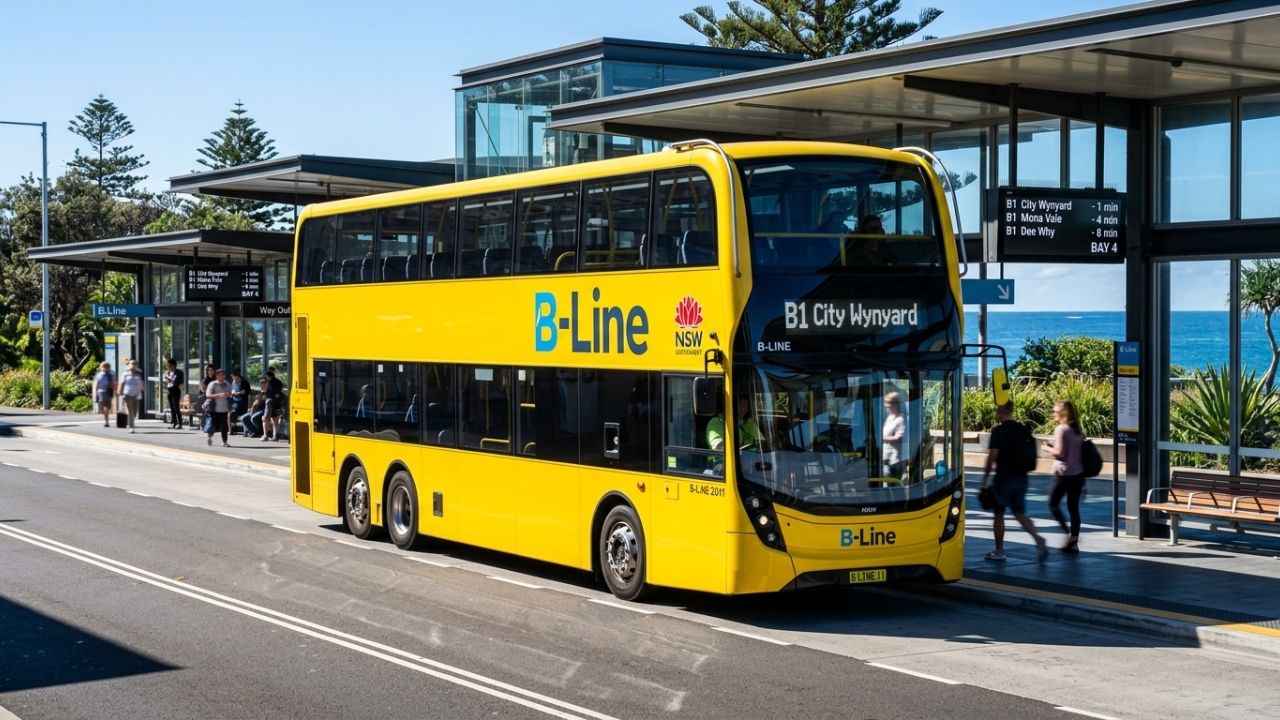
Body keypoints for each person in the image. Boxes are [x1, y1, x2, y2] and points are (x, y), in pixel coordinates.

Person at [980, 402, 1049, 562]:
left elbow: (992, 457)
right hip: (1021, 478)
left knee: (999, 513)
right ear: (1011, 411)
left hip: (1003, 479)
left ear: (999, 412)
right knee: (1019, 512)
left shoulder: (999, 431)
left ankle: (999, 550)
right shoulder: (1022, 429)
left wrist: (984, 480)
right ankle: (1038, 538)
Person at [1044, 399, 1086, 554]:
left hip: (1064, 474)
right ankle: (1074, 541)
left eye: (1055, 411)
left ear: (1063, 413)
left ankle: (1068, 536)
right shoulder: (1077, 430)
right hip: (1078, 474)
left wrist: (1046, 448)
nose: (1053, 414)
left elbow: (1060, 452)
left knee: (1053, 504)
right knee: (1073, 509)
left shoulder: (1061, 429)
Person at [204, 368, 233, 447]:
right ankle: (209, 436)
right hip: (214, 408)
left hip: (224, 408)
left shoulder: (227, 384)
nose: (221, 377)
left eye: (223, 375)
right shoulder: (212, 384)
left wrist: (229, 395)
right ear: (216, 376)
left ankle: (224, 441)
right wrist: (219, 395)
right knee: (214, 426)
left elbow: (230, 394)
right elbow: (208, 395)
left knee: (224, 426)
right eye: (219, 375)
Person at [882, 392, 906, 478]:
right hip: (885, 457)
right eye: (886, 403)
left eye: (890, 403)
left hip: (894, 460)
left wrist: (883, 438)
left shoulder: (900, 420)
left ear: (896, 404)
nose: (887, 406)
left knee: (892, 487)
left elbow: (899, 437)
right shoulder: (889, 418)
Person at [117, 359, 144, 433]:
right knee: (130, 411)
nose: (133, 365)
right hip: (127, 394)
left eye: (134, 364)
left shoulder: (139, 374)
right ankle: (131, 426)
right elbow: (121, 383)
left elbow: (141, 383)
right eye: (131, 364)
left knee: (135, 412)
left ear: (136, 366)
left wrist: (142, 390)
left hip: (136, 394)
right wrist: (120, 391)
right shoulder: (125, 374)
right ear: (128, 365)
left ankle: (131, 421)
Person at [261, 369, 285, 442]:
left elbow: (272, 394)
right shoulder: (279, 382)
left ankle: (265, 435)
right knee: (275, 419)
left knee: (266, 419)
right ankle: (275, 435)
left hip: (270, 402)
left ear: (268, 376)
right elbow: (278, 394)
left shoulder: (269, 383)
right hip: (277, 403)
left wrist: (265, 393)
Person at [92, 362, 116, 428]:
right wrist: (94, 394)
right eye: (104, 367)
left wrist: (115, 392)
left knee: (107, 407)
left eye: (107, 367)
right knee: (101, 407)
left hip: (108, 392)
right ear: (101, 368)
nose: (106, 368)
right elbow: (95, 385)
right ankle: (106, 418)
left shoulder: (111, 375)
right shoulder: (99, 375)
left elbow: (113, 384)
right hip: (101, 392)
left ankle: (106, 421)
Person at [163, 359, 184, 429]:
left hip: (176, 390)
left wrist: (169, 379)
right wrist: (166, 380)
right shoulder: (168, 373)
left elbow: (176, 382)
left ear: (173, 366)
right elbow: (166, 381)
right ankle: (173, 422)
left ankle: (180, 422)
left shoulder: (179, 373)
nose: (168, 367)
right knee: (171, 407)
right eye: (167, 366)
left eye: (169, 366)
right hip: (170, 390)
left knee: (176, 407)